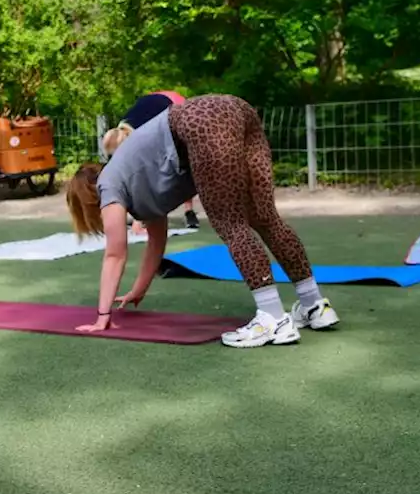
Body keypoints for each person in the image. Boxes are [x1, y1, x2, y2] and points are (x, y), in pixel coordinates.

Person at [65, 93, 341, 349]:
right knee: (265, 218)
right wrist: (138, 290)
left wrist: (103, 315)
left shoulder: (108, 183)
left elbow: (115, 254)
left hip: (201, 121)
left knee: (231, 224)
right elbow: (156, 243)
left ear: (87, 197)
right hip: (237, 109)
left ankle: (273, 319)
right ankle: (314, 305)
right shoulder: (137, 180)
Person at [102, 91, 201, 231]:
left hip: (174, 104)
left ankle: (189, 211)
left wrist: (140, 219)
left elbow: (145, 180)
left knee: (182, 164)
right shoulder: (120, 131)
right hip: (154, 102)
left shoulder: (142, 140)